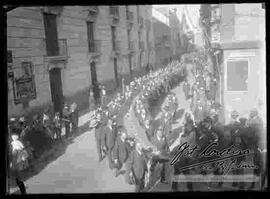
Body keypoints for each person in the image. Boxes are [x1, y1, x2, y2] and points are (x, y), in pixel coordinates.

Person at [171, 118, 196, 191]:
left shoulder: (189, 135)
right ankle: (188, 189)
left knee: (178, 175)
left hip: (182, 162)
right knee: (184, 176)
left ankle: (174, 188)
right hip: (182, 162)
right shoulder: (185, 137)